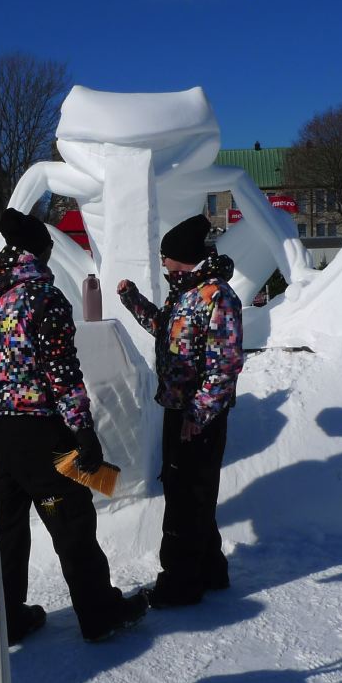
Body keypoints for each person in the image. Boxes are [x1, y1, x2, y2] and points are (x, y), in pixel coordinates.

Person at [0, 208, 147, 644]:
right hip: (40, 431)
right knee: (72, 518)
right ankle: (100, 612)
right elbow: (62, 373)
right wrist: (84, 431)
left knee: (4, 528)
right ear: (40, 254)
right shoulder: (45, 297)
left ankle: (4, 619)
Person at [117, 214, 244, 608]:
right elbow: (165, 327)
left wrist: (198, 414)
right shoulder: (187, 293)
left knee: (186, 496)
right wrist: (132, 299)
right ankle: (210, 570)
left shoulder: (217, 295)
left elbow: (226, 364)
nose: (163, 263)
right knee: (191, 493)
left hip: (198, 415)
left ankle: (180, 582)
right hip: (179, 408)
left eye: (166, 257)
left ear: (182, 258)